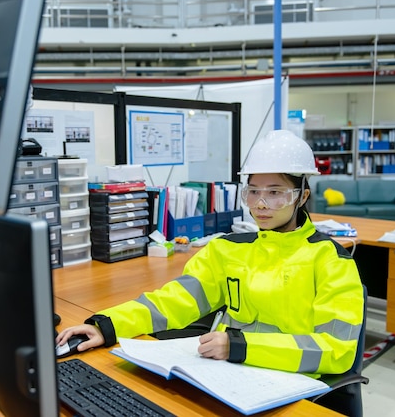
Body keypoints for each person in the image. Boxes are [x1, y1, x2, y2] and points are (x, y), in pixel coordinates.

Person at [57, 129, 364, 376]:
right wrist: (107, 326)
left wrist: (241, 347)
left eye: (275, 192)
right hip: (226, 374)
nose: (260, 204)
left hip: (291, 385)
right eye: (253, 190)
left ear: (301, 196)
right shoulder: (228, 249)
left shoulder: (331, 261)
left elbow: (337, 350)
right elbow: (175, 301)